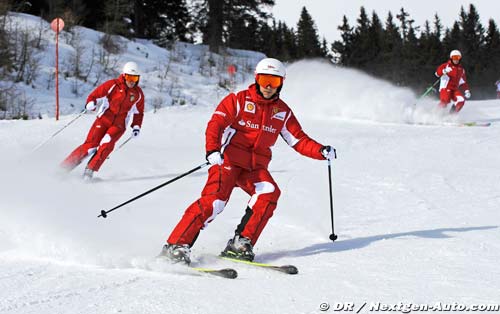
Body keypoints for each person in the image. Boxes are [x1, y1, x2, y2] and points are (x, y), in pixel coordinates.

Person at [160, 58, 336, 264]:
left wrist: (320, 150)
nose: (268, 86)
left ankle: (240, 243)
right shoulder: (238, 100)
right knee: (215, 200)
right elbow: (216, 124)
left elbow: (298, 140)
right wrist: (212, 150)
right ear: (256, 78)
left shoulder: (282, 112)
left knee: (269, 192)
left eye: (274, 81)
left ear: (282, 83)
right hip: (227, 162)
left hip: (254, 168)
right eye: (264, 79)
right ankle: (176, 245)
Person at [60, 61, 145, 180]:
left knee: (107, 143)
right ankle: (64, 168)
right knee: (90, 146)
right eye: (129, 77)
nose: (132, 81)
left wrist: (136, 126)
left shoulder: (138, 94)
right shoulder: (113, 85)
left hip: (119, 125)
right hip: (103, 120)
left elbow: (138, 112)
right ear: (124, 75)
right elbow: (95, 95)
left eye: (135, 78)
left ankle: (89, 171)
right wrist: (91, 103)